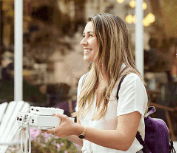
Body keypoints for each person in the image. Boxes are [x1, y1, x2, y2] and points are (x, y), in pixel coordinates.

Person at [44, 13, 148, 152]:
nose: (83, 42)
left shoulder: (129, 82)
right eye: (83, 35)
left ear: (109, 40)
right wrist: (62, 128)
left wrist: (77, 129)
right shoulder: (85, 82)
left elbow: (124, 141)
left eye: (90, 35)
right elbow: (85, 138)